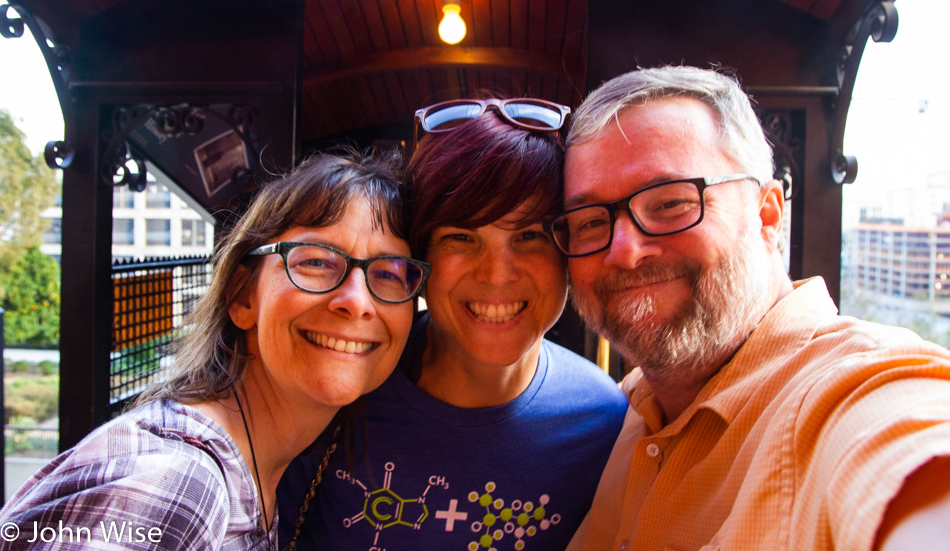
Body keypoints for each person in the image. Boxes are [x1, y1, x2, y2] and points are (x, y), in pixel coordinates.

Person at [544, 65, 950, 551]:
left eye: (671, 203)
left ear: (767, 215)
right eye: (589, 222)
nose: (626, 251)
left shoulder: (847, 389)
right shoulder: (632, 402)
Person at [0, 150, 429, 550]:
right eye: (315, 261)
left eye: (390, 274)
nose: (356, 300)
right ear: (243, 296)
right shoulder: (181, 483)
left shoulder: (258, 480)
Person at [278, 97, 629, 550]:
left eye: (530, 236)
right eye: (461, 237)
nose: (497, 274)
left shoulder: (604, 424)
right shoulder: (344, 386)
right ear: (419, 260)